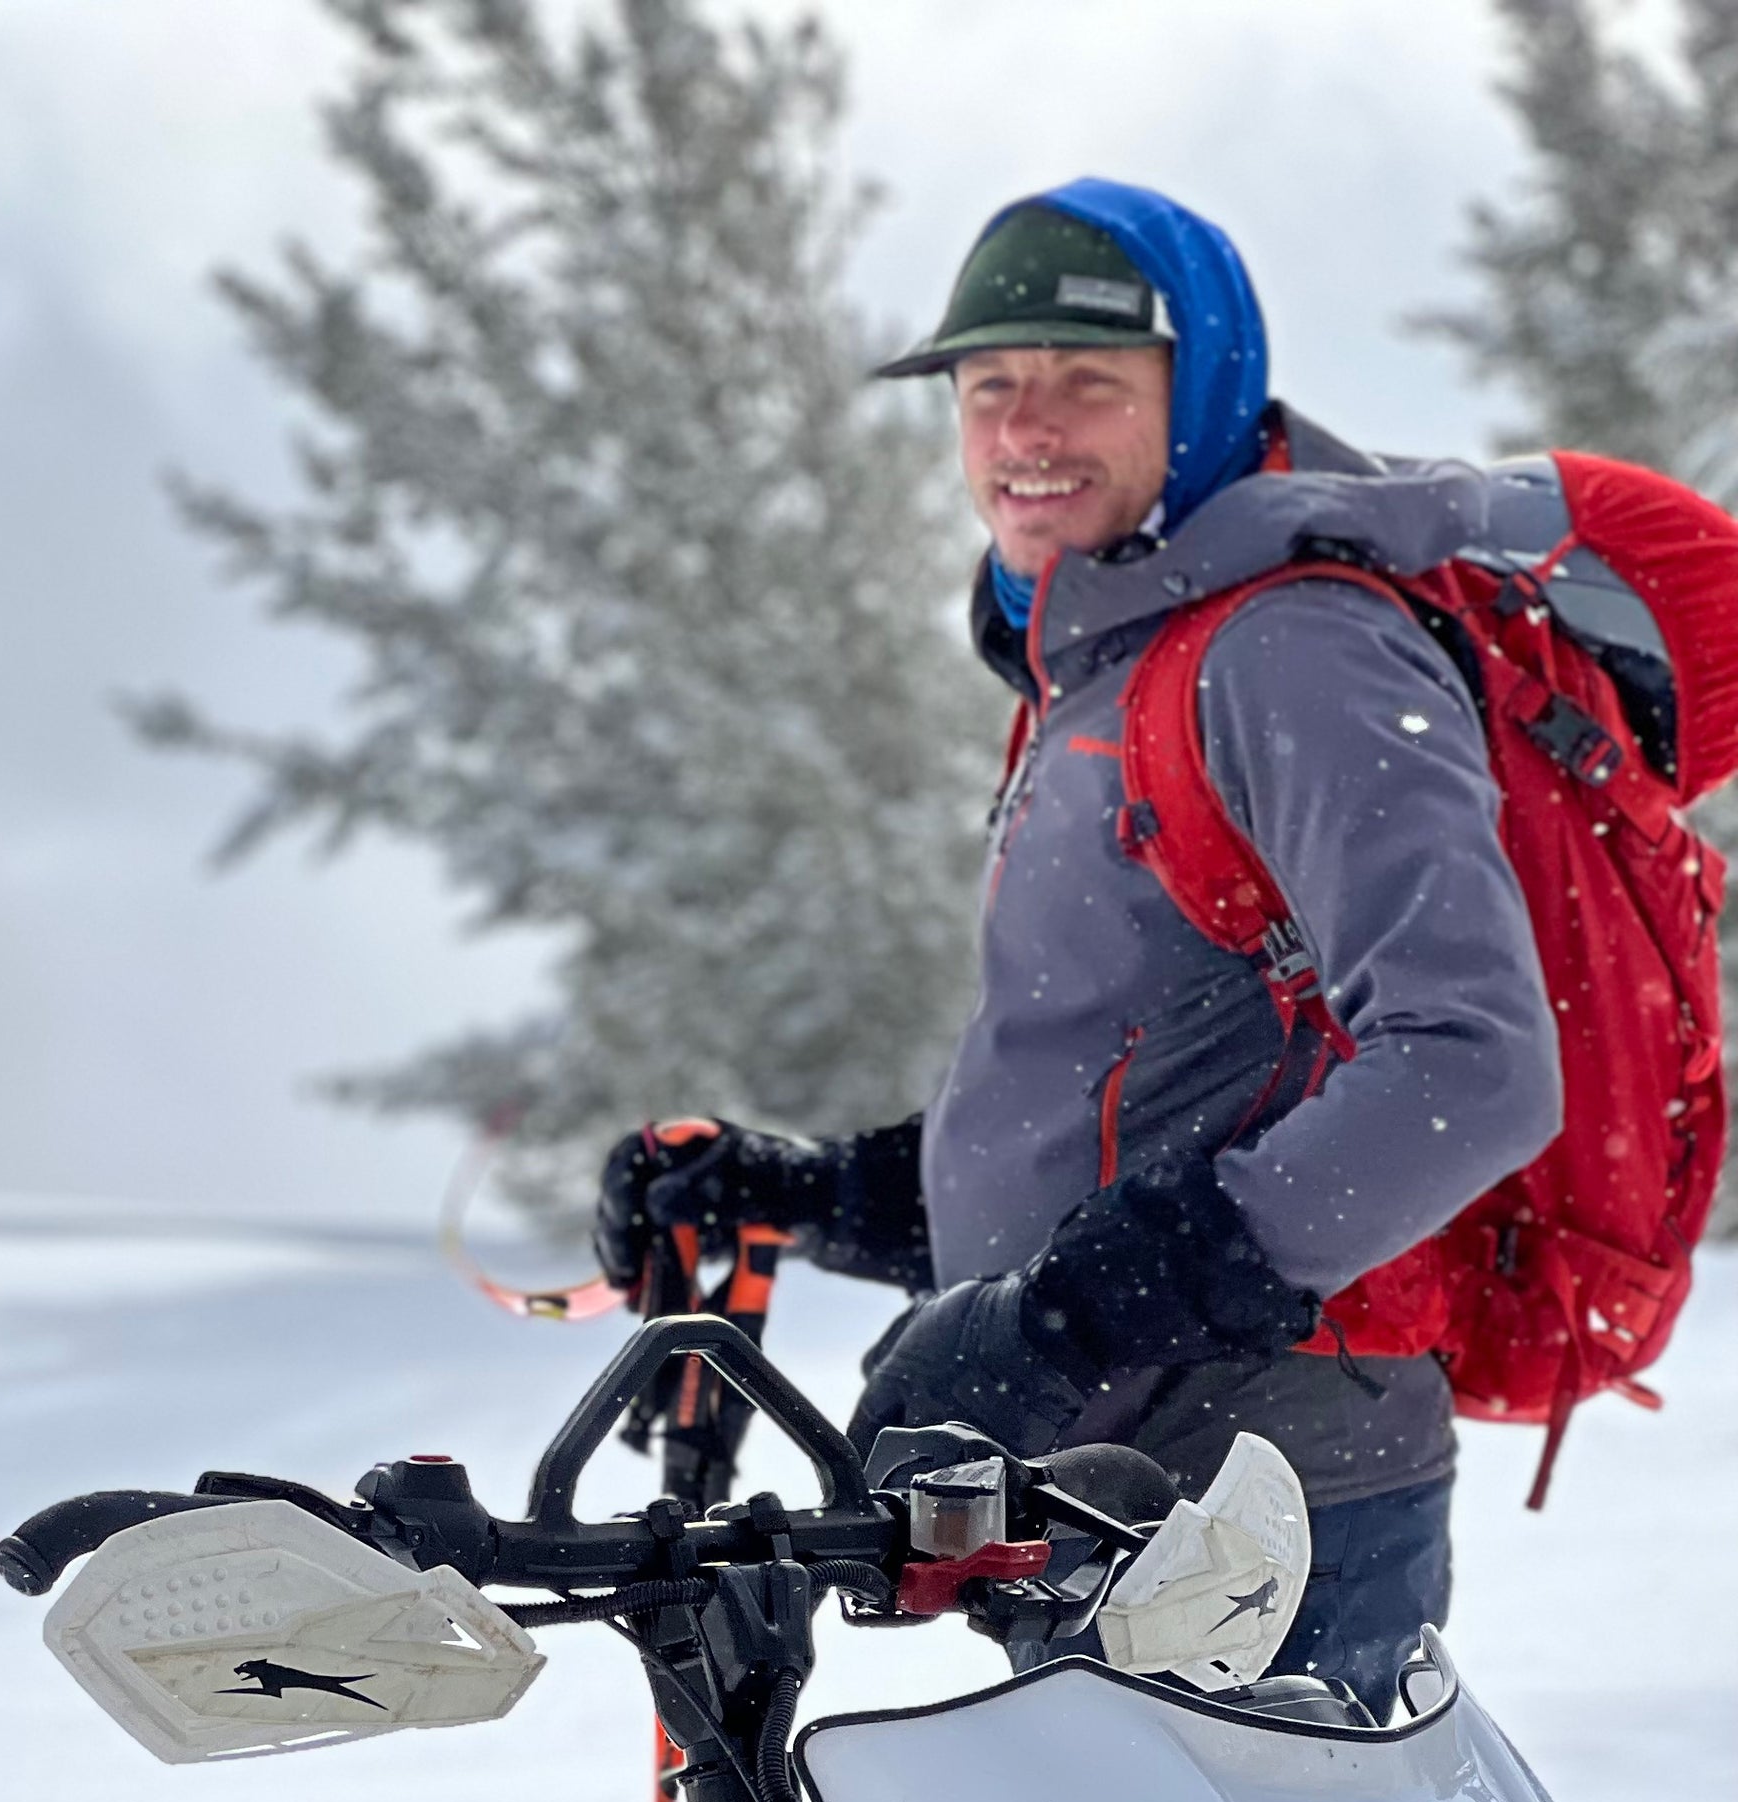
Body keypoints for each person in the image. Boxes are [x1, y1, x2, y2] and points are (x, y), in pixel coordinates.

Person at [592, 180, 1561, 1711]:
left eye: (1088, 382)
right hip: (1115, 1485)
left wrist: (1068, 1317)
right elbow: (1113, 1092)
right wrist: (812, 1192)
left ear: (1207, 393)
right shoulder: (1109, 665)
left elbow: (1480, 1065)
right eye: (990, 388)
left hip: (1265, 1494)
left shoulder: (1292, 648)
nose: (1027, 429)